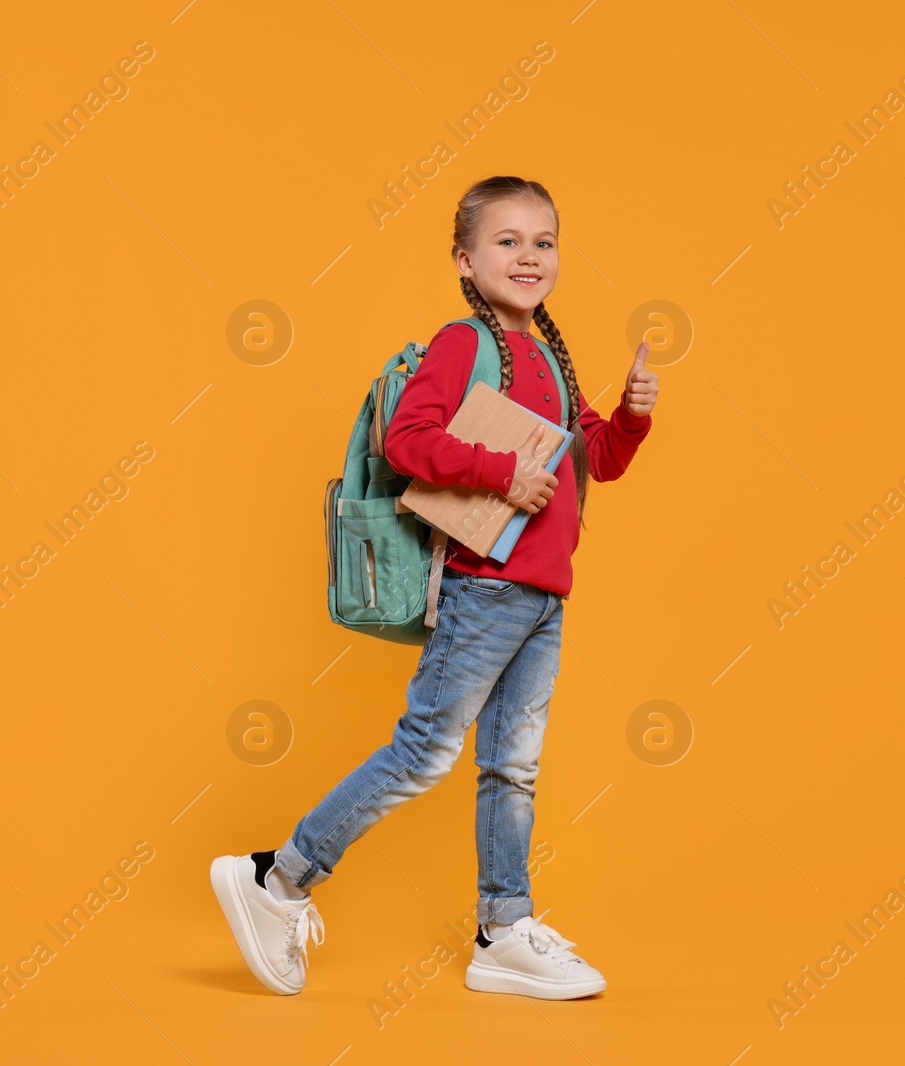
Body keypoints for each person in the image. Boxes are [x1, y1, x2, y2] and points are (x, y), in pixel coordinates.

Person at [210, 175, 659, 999]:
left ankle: (503, 927)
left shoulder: (553, 355)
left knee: (513, 770)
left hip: (542, 594)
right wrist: (500, 472)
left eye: (543, 241)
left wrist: (629, 415)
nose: (529, 256)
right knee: (426, 751)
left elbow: (597, 459)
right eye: (507, 241)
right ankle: (277, 875)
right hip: (484, 588)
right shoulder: (463, 342)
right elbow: (409, 439)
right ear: (464, 258)